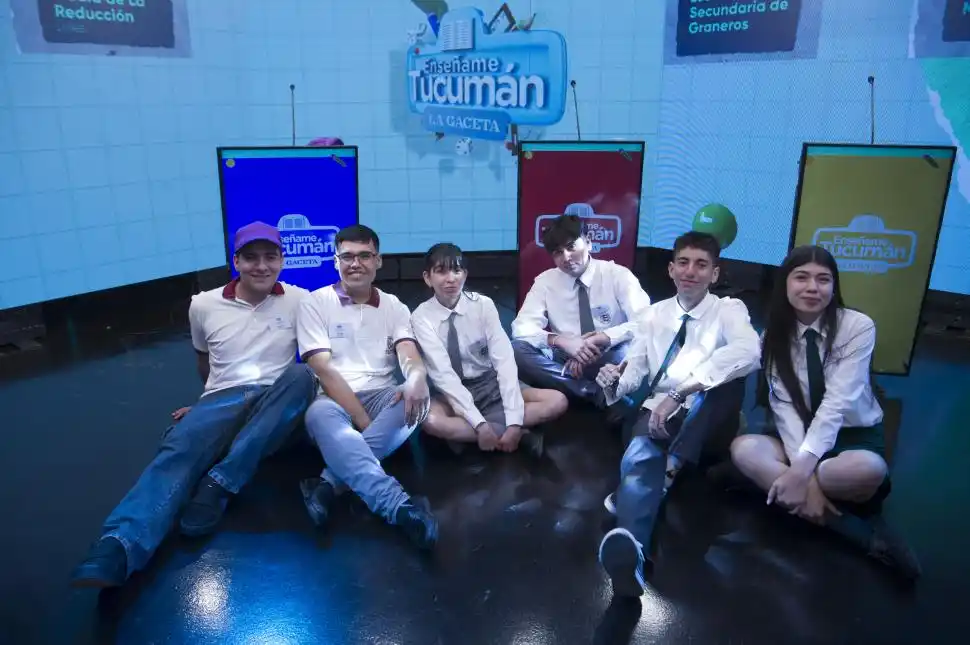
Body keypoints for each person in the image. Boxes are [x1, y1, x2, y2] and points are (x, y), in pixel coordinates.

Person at [70, 222, 317, 588]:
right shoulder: (203, 304)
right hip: (227, 398)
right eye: (251, 258)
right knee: (179, 450)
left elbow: (324, 358)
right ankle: (117, 547)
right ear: (236, 261)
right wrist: (208, 407)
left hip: (276, 405)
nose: (261, 266)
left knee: (302, 376)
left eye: (270, 257)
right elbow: (205, 363)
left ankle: (220, 482)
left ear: (283, 260)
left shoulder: (302, 300)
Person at [729, 245, 921, 580]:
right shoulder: (772, 336)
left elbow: (836, 404)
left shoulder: (857, 327)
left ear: (834, 287)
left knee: (868, 469)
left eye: (823, 279)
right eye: (801, 277)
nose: (812, 288)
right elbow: (784, 409)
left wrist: (800, 472)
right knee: (743, 448)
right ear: (785, 284)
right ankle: (853, 531)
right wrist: (807, 478)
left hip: (853, 435)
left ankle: (772, 487)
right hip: (798, 436)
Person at [594, 231, 760, 597]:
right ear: (671, 269)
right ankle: (633, 555)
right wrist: (612, 381)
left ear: (715, 274)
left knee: (726, 383)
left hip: (711, 423)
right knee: (639, 459)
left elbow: (749, 351)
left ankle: (669, 470)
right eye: (683, 263)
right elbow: (635, 372)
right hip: (658, 414)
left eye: (702, 265)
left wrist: (684, 389)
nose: (691, 271)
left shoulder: (729, 310)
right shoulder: (655, 315)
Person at [297, 224, 438, 550]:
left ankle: (327, 483)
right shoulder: (315, 303)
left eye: (364, 256)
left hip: (382, 394)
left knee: (417, 400)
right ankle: (398, 507)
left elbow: (409, 354)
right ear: (335, 261)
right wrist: (363, 422)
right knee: (319, 416)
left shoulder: (394, 307)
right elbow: (324, 370)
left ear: (379, 261)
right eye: (347, 256)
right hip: (332, 396)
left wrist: (417, 378)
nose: (355, 263)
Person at [412, 243, 568, 456]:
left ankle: (486, 435)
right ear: (427, 278)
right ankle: (516, 435)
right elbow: (443, 376)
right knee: (430, 421)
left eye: (456, 270)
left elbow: (504, 362)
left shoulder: (483, 305)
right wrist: (479, 424)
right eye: (441, 271)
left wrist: (513, 422)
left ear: (465, 275)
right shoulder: (421, 317)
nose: (450, 278)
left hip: (490, 383)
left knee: (556, 401)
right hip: (452, 391)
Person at [511, 214, 651, 407]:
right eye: (558, 253)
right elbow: (521, 327)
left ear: (589, 243)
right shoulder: (545, 281)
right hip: (565, 355)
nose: (566, 257)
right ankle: (593, 392)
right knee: (517, 350)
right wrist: (562, 341)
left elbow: (647, 321)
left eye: (571, 247)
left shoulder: (618, 275)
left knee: (628, 350)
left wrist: (601, 338)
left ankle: (570, 387)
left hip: (608, 354)